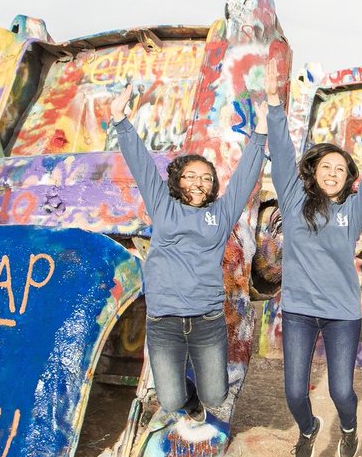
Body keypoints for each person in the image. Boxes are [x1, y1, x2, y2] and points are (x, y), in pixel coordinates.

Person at [263, 60, 362, 457]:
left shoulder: (354, 211)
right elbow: (280, 148)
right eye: (325, 167)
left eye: (339, 169)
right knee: (295, 392)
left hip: (342, 313)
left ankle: (347, 425)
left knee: (341, 392)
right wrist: (274, 102)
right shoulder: (292, 200)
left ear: (347, 178)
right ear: (313, 172)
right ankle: (308, 428)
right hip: (298, 311)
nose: (332, 173)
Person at [109, 87, 267, 422]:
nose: (198, 182)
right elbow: (140, 165)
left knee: (217, 394)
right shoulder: (163, 206)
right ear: (178, 180)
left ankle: (204, 396)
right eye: (191, 176)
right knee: (170, 400)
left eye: (207, 178)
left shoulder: (221, 214)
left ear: (213, 187)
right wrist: (121, 119)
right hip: (164, 320)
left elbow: (244, 178)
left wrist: (261, 132)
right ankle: (188, 399)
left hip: (207, 320)